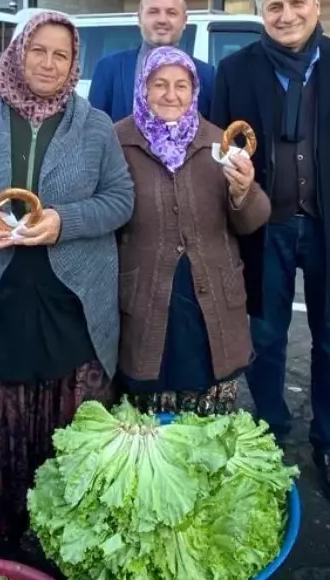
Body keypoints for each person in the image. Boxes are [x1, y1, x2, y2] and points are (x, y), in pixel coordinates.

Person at [0, 10, 134, 547]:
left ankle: (64, 533)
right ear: (18, 52)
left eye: (60, 54)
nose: (48, 63)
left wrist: (66, 221)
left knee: (68, 422)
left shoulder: (95, 125)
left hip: (71, 301)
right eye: (38, 49)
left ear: (73, 64)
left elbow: (121, 200)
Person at [211, 0, 330, 506]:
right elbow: (221, 154)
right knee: (263, 341)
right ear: (261, 13)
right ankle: (270, 430)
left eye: (296, 3)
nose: (286, 15)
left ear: (317, 5)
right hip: (266, 226)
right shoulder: (238, 69)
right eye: (274, 6)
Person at [115, 46, 270, 416]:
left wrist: (243, 191)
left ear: (194, 89)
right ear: (144, 88)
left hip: (209, 293)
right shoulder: (117, 141)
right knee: (150, 410)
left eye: (181, 85)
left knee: (208, 413)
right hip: (146, 293)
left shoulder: (218, 142)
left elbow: (254, 219)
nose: (171, 95)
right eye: (160, 84)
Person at [89, 0, 215, 121]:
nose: (162, 20)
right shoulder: (108, 68)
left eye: (171, 13)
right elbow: (94, 131)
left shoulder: (207, 74)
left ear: (184, 21)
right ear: (139, 19)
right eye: (153, 12)